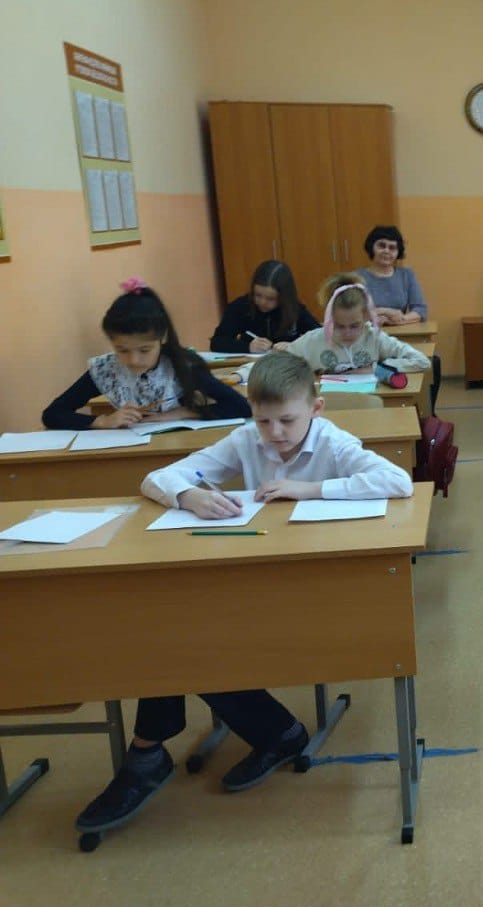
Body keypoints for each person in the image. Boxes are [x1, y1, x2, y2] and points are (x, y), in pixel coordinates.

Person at [74, 351, 414, 838]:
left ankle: (191, 746)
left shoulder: (332, 442)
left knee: (193, 639)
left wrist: (310, 489)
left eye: (287, 420)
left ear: (316, 409)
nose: (274, 432)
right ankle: (171, 746)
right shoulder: (246, 439)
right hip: (257, 584)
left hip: (322, 591)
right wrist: (189, 495)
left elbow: (397, 481)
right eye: (263, 420)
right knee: (174, 629)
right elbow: (157, 478)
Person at [43, 278, 251, 430]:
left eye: (144, 350)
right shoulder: (107, 370)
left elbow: (241, 407)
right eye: (122, 350)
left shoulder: (183, 365)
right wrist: (102, 421)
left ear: (161, 338)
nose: (134, 360)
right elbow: (53, 414)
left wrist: (182, 413)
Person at [241, 273, 431, 379]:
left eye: (355, 326)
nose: (347, 333)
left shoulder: (374, 337)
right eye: (339, 326)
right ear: (328, 319)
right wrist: (240, 375)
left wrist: (376, 368)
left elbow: (421, 361)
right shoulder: (313, 341)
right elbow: (272, 363)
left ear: (366, 317)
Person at [210, 260, 321, 353]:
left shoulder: (295, 310)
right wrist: (248, 347)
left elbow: (320, 338)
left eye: (270, 298)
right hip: (249, 365)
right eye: (258, 295)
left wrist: (294, 346)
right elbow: (217, 342)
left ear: (283, 297)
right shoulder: (241, 306)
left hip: (286, 365)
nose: (262, 302)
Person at [356, 225, 427, 326]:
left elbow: (420, 310)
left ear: (398, 252)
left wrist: (399, 319)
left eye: (392, 248)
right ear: (371, 247)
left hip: (400, 331)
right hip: (365, 332)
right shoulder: (355, 278)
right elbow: (348, 312)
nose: (386, 251)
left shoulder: (407, 275)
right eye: (381, 246)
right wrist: (386, 311)